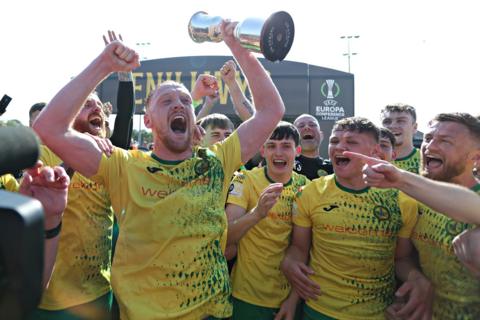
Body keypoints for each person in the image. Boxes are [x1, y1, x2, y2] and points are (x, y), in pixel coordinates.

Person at [33, 20, 285, 320]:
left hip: (211, 314)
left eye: (185, 101)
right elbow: (48, 127)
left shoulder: (216, 161)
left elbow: (271, 111)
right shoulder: (123, 165)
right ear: (149, 122)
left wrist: (239, 49)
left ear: (194, 118)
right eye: (166, 101)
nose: (178, 105)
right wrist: (103, 65)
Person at [281, 117, 431, 320]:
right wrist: (289, 261)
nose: (339, 147)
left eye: (351, 142)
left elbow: (401, 258)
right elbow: (299, 248)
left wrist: (415, 277)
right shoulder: (309, 192)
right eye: (334, 141)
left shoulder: (403, 201)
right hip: (319, 310)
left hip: (378, 313)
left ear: (375, 152)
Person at [346, 112, 480, 319]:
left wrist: (401, 179)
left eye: (445, 141)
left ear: (476, 157)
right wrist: (414, 284)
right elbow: (404, 257)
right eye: (428, 138)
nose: (430, 147)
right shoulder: (414, 199)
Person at [225, 122, 309, 320]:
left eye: (286, 146)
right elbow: (226, 235)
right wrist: (257, 213)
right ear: (262, 150)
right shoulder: (244, 179)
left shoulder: (307, 187)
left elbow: (308, 251)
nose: (278, 153)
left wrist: (293, 299)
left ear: (297, 151)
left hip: (289, 298)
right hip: (246, 296)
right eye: (271, 146)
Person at [380, 103, 420, 173]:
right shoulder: (373, 158)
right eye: (387, 121)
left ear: (414, 127)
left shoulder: (425, 160)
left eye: (400, 121)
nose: (392, 126)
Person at [292, 114, 333, 180]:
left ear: (321, 136)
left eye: (312, 125)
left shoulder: (332, 169)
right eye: (301, 125)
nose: (307, 127)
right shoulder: (286, 166)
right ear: (293, 137)